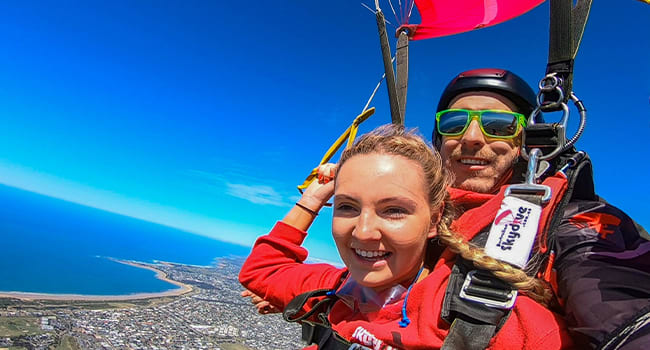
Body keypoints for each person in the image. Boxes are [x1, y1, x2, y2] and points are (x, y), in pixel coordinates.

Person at [239, 125, 574, 349]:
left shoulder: (483, 316)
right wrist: (313, 197)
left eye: (394, 210)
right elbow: (260, 271)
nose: (364, 231)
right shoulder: (338, 289)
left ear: (435, 220)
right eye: (346, 207)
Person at [433, 68, 650, 349]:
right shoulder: (401, 213)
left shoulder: (569, 219)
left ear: (528, 142)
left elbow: (617, 302)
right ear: (439, 140)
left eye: (499, 126)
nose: (471, 137)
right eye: (454, 123)